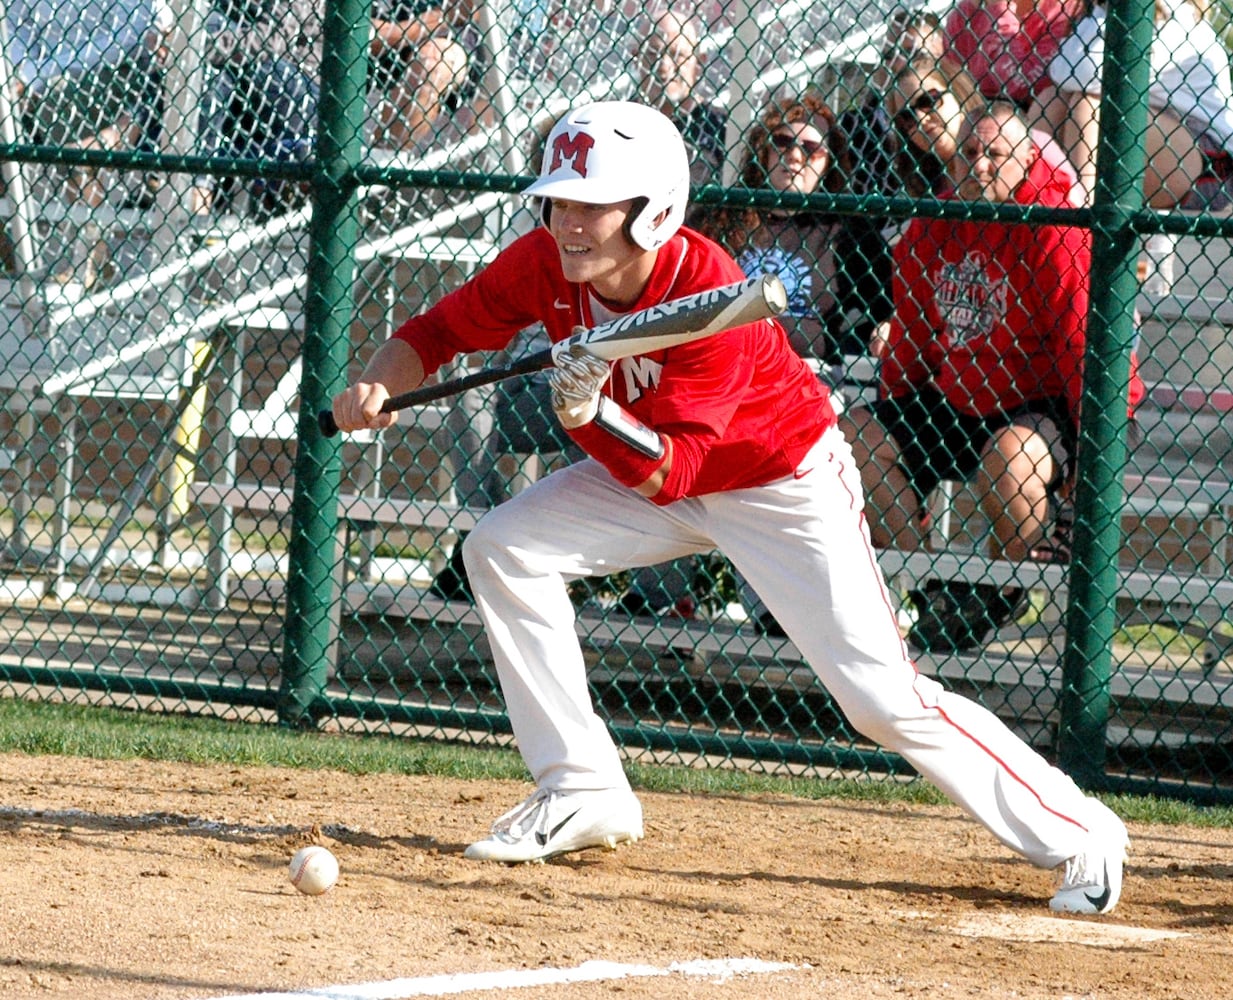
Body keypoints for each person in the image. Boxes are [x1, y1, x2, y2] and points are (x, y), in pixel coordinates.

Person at [330, 99, 1129, 915]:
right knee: (502, 549)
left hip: (777, 484)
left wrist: (589, 416)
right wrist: (378, 385)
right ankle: (580, 788)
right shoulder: (544, 264)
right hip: (649, 462)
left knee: (880, 699)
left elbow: (677, 472)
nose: (567, 221)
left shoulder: (711, 290)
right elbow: (434, 333)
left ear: (654, 211)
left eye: (589, 204)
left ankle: (1080, 833)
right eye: (557, 201)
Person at [840, 100, 1143, 653]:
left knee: (1011, 455)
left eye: (995, 154)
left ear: (1026, 158)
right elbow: (913, 336)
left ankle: (1000, 593)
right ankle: (937, 591)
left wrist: (1097, 449)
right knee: (857, 436)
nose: (979, 165)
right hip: (956, 398)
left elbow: (1085, 347)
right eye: (971, 153)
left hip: (1038, 402)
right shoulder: (934, 224)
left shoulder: (1055, 227)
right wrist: (897, 413)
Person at [1033, 0, 1233, 211]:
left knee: (1090, 104)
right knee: (1052, 99)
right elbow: (1061, 73)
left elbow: (1087, 73)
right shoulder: (1102, 11)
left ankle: (1085, 210)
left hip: (1211, 167)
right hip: (1152, 139)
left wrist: (1100, 19)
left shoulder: (1173, 12)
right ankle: (1039, 198)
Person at [831, 7, 946, 344]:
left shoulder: (950, 125)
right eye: (892, 53)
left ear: (942, 55)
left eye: (916, 53)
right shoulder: (858, 123)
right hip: (875, 245)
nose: (902, 62)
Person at [886, 52, 1082, 204]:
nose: (920, 119)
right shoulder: (926, 182)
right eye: (907, 117)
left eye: (928, 100)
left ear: (958, 93)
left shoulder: (1028, 143)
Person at [942, 0, 1085, 109]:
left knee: (1054, 101)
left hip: (1033, 113)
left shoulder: (1066, 9)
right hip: (978, 113)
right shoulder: (962, 16)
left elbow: (1025, 88)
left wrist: (998, 13)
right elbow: (957, 88)